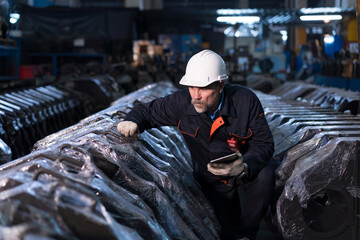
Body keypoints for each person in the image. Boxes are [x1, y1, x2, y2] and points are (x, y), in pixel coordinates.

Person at [117, 49, 275, 240]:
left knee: (265, 174)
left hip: (244, 167)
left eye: (204, 88)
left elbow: (263, 143)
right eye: (192, 87)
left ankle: (248, 234)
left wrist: (245, 165)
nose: (196, 95)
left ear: (220, 86)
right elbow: (147, 111)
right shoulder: (182, 102)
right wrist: (132, 121)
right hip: (212, 178)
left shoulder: (245, 101)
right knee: (228, 229)